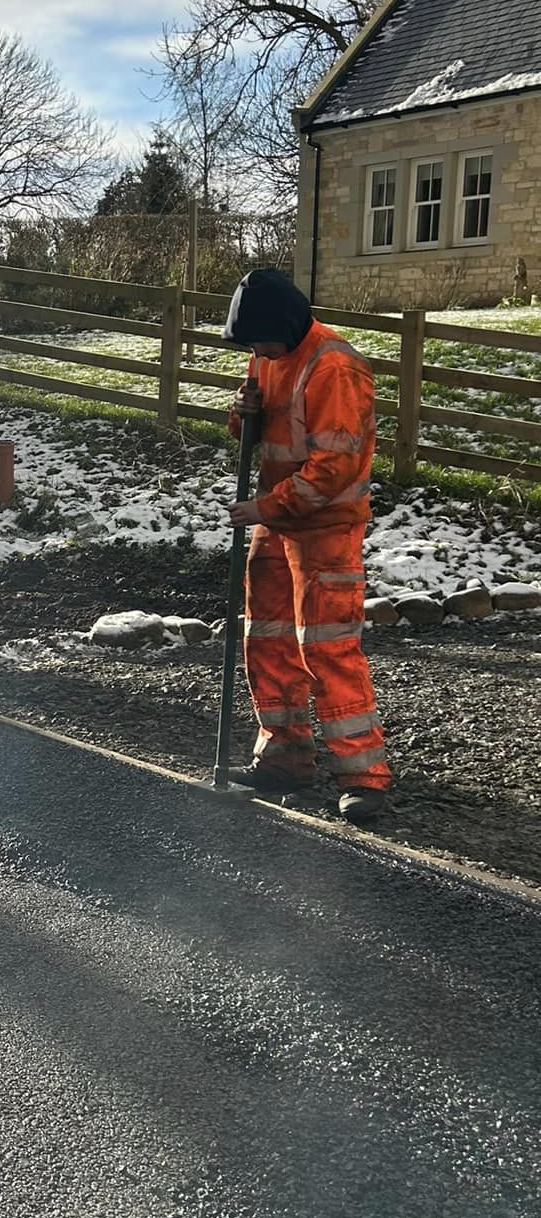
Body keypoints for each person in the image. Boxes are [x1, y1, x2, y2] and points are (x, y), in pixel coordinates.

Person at [222, 269, 391, 825]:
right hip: (278, 519)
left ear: (286, 325)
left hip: (325, 526)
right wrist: (241, 415)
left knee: (327, 647)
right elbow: (260, 432)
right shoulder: (266, 358)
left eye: (261, 341)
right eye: (250, 345)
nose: (257, 353)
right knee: (267, 639)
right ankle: (284, 759)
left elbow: (332, 469)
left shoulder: (335, 367)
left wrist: (264, 508)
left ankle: (362, 777)